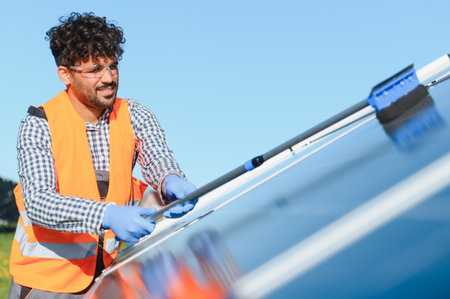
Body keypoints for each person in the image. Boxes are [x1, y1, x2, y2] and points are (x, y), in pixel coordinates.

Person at [8, 12, 198, 299]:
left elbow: (157, 158)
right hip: (45, 284)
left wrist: (170, 180)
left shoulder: (135, 114)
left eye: (113, 66)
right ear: (65, 74)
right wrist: (107, 215)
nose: (108, 78)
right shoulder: (39, 124)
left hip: (109, 278)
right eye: (95, 69)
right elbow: (38, 202)